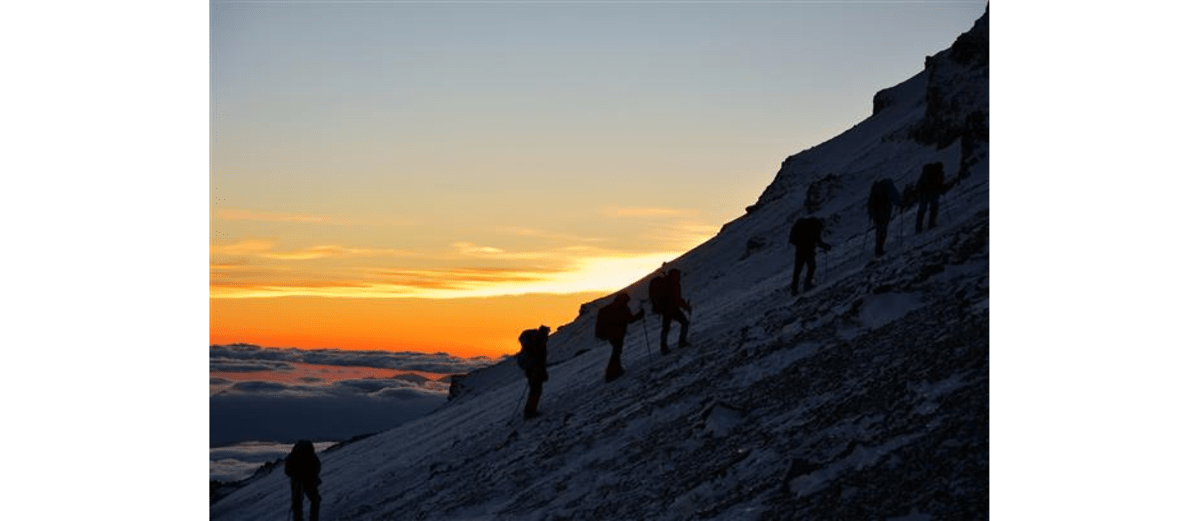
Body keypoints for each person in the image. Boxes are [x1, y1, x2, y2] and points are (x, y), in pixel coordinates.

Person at [595, 292, 644, 382]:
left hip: (609, 333)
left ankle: (616, 369)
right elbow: (630, 319)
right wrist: (640, 315)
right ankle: (611, 373)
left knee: (617, 350)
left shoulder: (612, 307)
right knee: (617, 351)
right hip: (617, 333)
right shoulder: (623, 308)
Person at [789, 217, 832, 294]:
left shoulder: (808, 225)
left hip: (800, 250)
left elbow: (816, 240)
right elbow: (818, 241)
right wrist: (825, 246)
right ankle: (807, 284)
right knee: (811, 266)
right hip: (808, 250)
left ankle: (794, 289)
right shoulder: (815, 227)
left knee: (798, 269)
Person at [284, 440, 321, 521]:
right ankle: (313, 518)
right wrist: (311, 476)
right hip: (308, 481)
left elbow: (287, 470)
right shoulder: (311, 456)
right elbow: (317, 467)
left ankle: (299, 519)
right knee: (315, 500)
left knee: (297, 503)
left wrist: (296, 475)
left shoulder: (293, 456)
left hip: (299, 481)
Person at [518, 325, 550, 418]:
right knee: (536, 390)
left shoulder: (532, 342)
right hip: (535, 369)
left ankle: (529, 410)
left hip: (530, 369)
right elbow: (541, 359)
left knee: (534, 390)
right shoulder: (539, 343)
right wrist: (543, 371)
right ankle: (530, 412)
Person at [658, 269, 691, 353]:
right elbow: (677, 299)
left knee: (665, 328)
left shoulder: (667, 284)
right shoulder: (674, 285)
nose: (679, 277)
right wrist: (686, 307)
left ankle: (663, 347)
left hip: (666, 310)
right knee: (684, 323)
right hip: (673, 309)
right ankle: (682, 342)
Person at [867, 178, 902, 257]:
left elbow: (870, 201)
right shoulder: (889, 186)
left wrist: (870, 214)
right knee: (883, 231)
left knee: (878, 230)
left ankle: (878, 249)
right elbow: (895, 196)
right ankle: (879, 250)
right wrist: (900, 204)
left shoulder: (876, 188)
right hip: (884, 212)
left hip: (875, 213)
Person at [915, 162, 948, 232]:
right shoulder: (939, 172)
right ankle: (931, 224)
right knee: (933, 208)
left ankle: (918, 228)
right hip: (934, 193)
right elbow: (940, 184)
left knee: (921, 211)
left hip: (924, 193)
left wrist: (919, 192)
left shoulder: (926, 172)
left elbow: (919, 183)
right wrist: (942, 191)